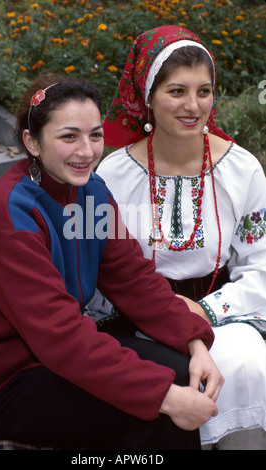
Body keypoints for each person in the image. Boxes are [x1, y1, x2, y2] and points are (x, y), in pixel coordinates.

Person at [0, 73, 223, 451]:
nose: (87, 151)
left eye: (95, 135)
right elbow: (62, 336)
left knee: (182, 375)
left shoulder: (90, 193)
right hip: (8, 380)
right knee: (160, 411)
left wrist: (195, 344)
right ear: (31, 142)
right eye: (68, 136)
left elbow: (134, 280)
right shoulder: (7, 214)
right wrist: (164, 398)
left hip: (58, 355)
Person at [96, 25, 266, 449]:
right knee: (165, 377)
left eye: (204, 91)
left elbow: (260, 265)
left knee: (245, 363)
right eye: (176, 91)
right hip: (133, 318)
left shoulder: (241, 171)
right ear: (147, 97)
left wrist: (205, 310)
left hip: (220, 315)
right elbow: (93, 269)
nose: (193, 106)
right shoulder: (111, 176)